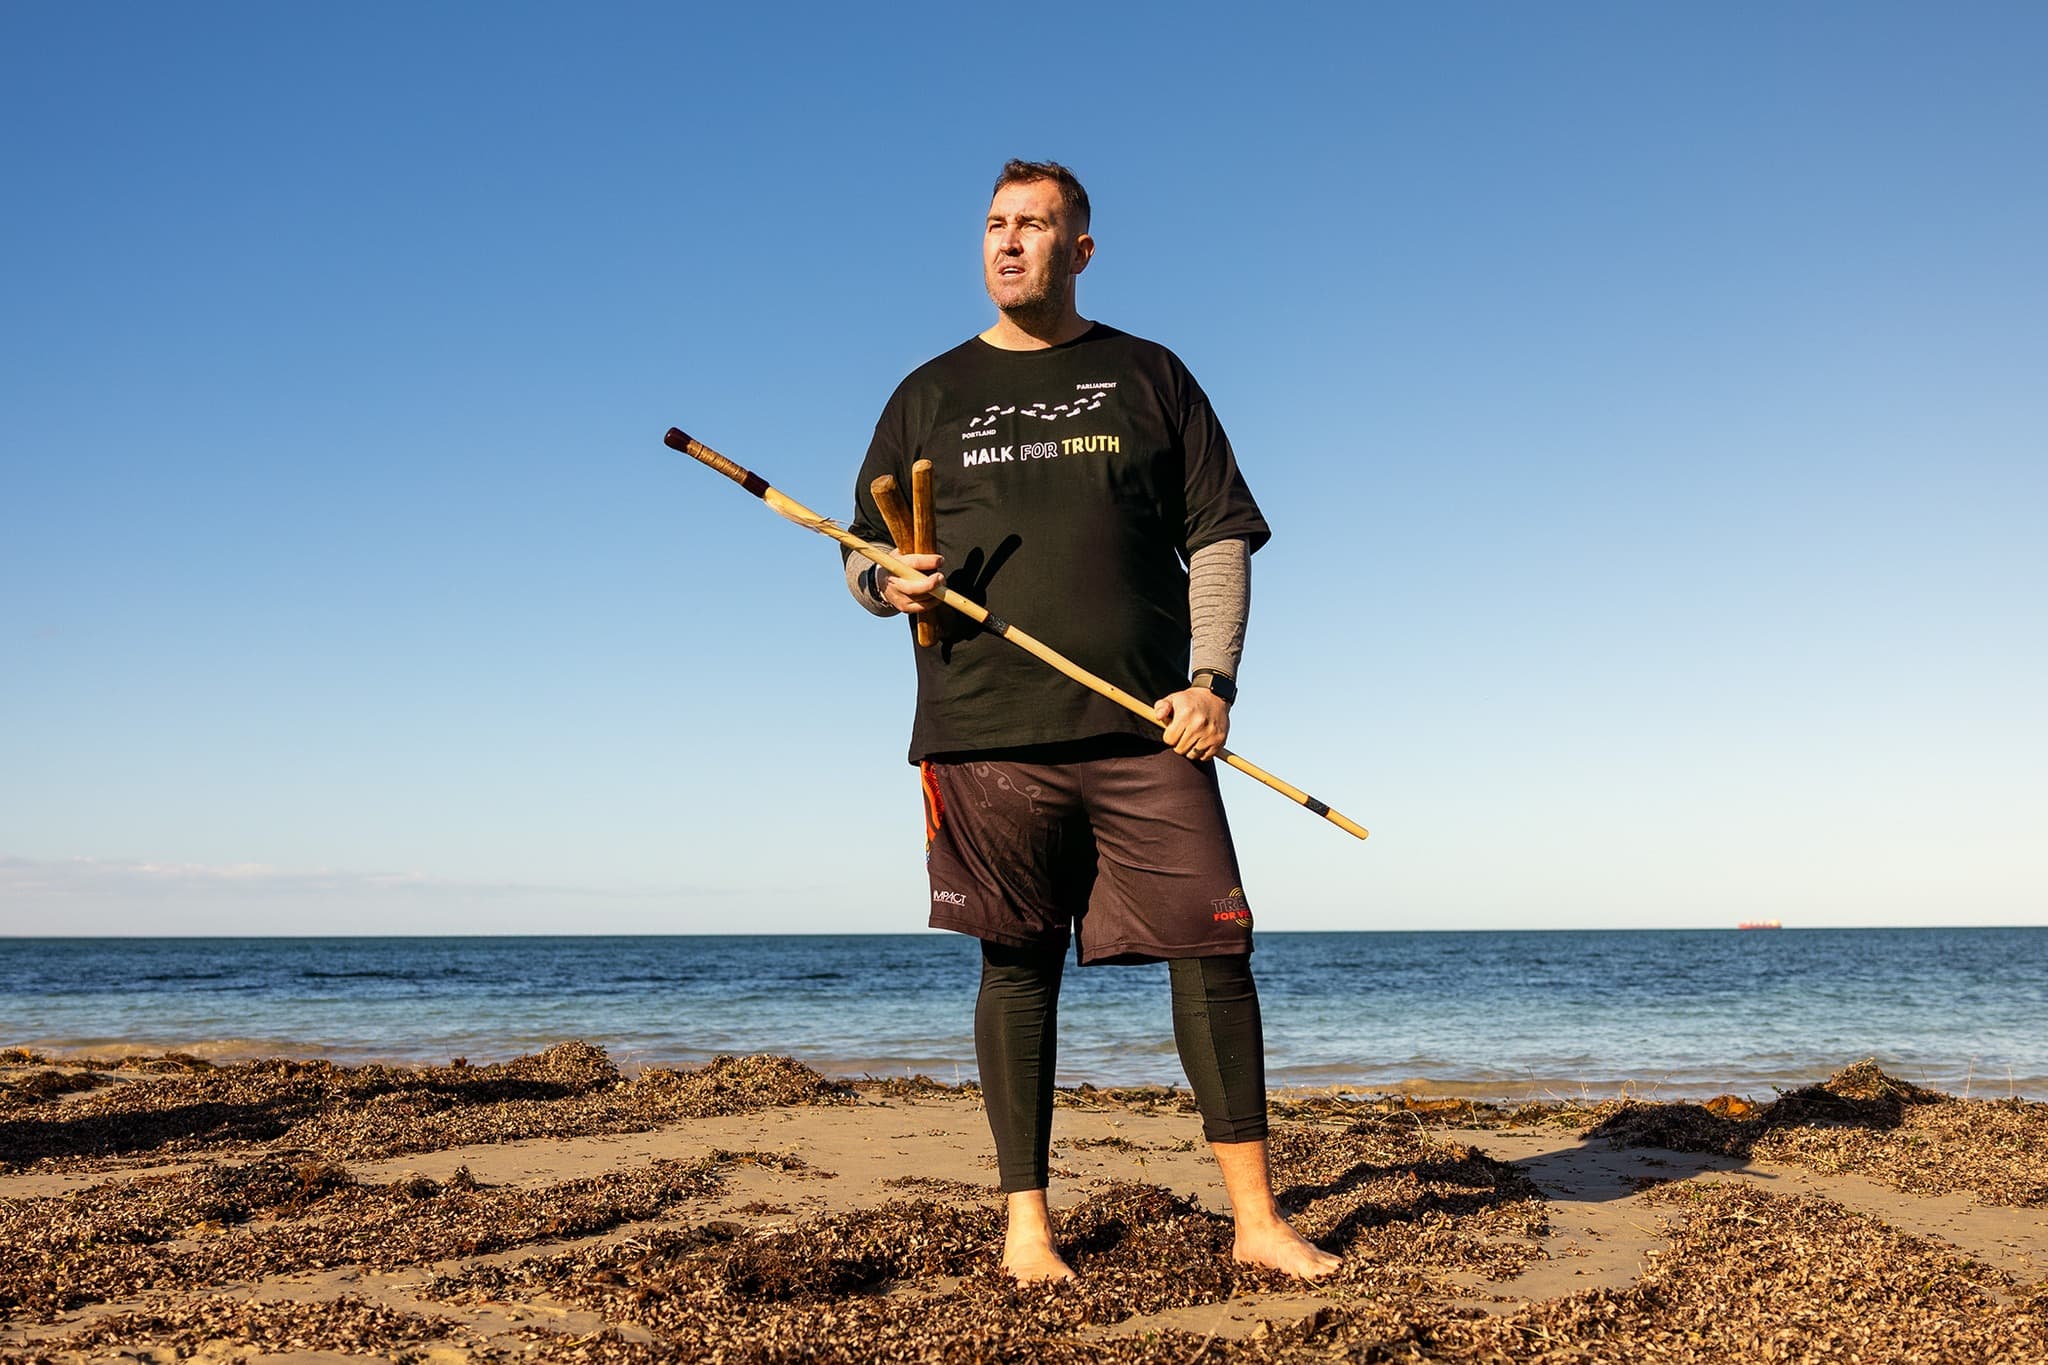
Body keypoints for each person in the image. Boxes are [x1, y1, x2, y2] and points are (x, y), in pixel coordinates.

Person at [844, 160, 1338, 1284]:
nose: (1008, 242)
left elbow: (1217, 535)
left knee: (1214, 950)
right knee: (1015, 966)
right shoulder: (925, 392)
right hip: (980, 728)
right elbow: (858, 558)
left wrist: (1211, 680)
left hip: (1144, 729)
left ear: (1081, 249)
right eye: (993, 224)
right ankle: (1027, 1230)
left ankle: (1256, 1222)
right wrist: (889, 585)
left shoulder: (1147, 373)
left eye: (1035, 225)